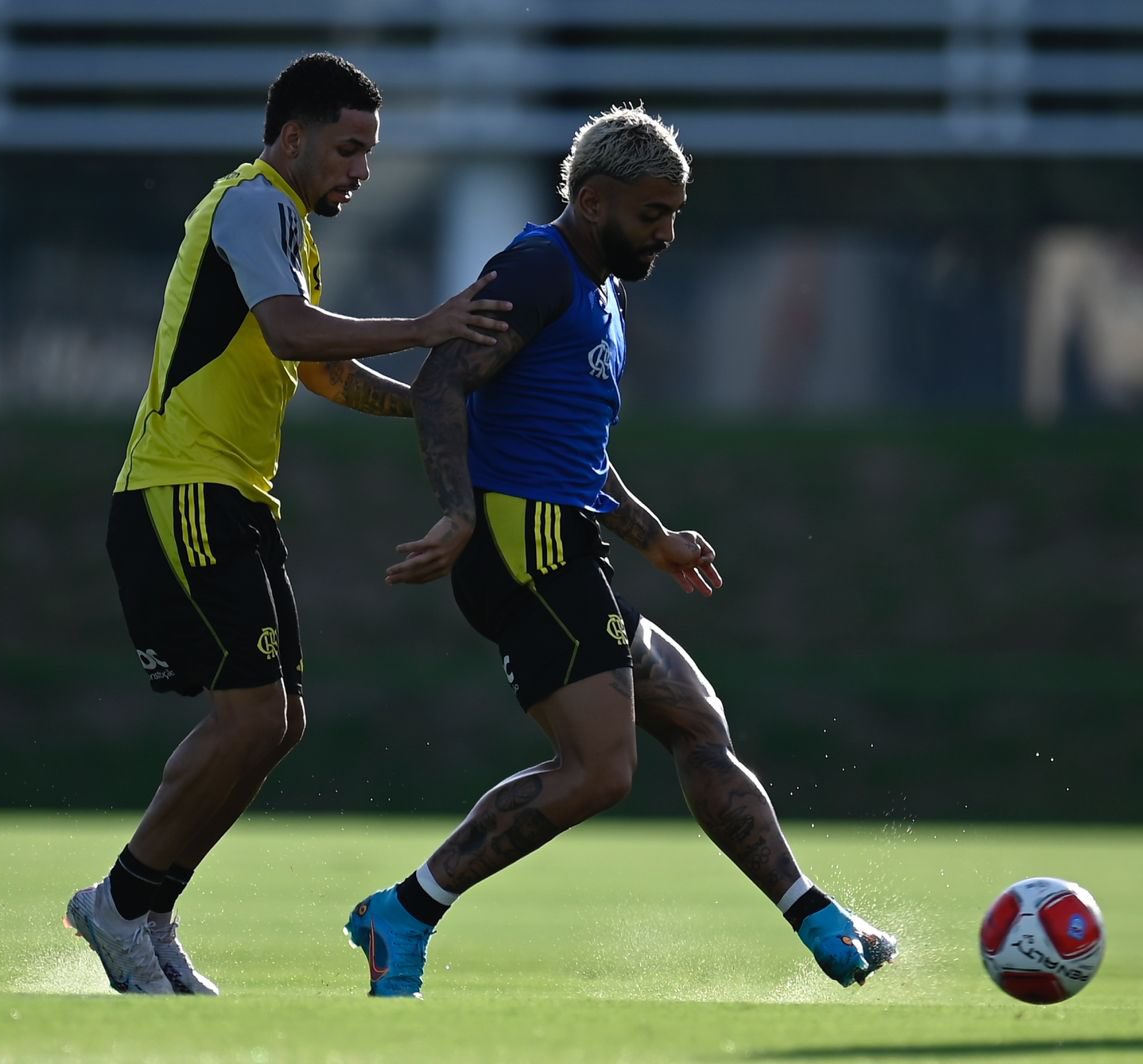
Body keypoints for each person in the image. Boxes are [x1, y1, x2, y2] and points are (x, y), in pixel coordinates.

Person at [344, 106, 897, 997]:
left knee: (697, 722)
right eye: (652, 214)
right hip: (524, 547)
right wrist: (456, 513)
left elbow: (577, 451)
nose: (668, 233)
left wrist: (653, 536)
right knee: (599, 770)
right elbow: (443, 379)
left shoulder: (603, 288)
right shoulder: (537, 268)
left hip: (568, 546)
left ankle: (820, 918)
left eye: (675, 213)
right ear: (593, 200)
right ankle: (405, 910)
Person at [63, 52, 512, 995]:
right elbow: (292, 332)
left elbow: (323, 371)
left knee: (277, 723)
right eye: (349, 148)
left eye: (370, 152)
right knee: (253, 716)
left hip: (235, 497)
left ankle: (144, 906)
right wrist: (429, 327)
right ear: (293, 136)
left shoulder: (291, 229)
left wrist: (433, 411)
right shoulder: (253, 201)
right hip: (183, 487)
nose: (361, 169)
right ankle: (119, 902)